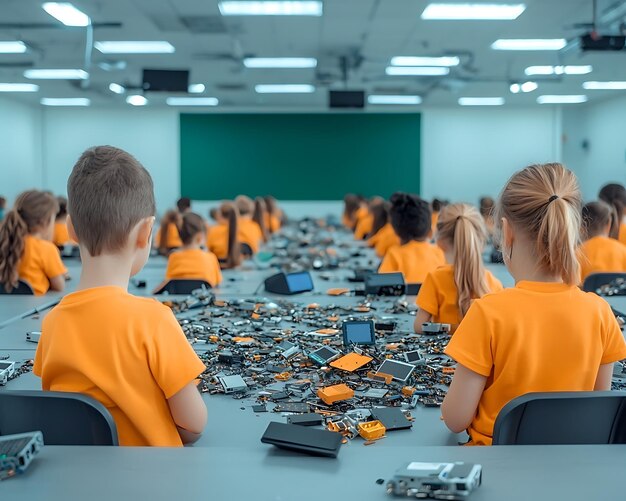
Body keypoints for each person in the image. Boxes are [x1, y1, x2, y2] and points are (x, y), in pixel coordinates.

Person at [33, 145, 207, 447]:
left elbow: (64, 414)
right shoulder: (154, 320)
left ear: (71, 228)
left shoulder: (52, 323)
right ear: (145, 232)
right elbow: (193, 425)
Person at [442, 163, 626, 446]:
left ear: (506, 232)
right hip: (574, 467)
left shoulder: (487, 312)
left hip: (494, 469)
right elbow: (595, 408)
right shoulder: (601, 312)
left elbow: (456, 420)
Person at [414, 204, 503, 333]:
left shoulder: (435, 279)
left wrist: (449, 329)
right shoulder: (494, 283)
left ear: (440, 242)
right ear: (481, 242)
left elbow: (419, 326)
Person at [0, 190, 66, 295]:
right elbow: (59, 286)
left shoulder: (4, 242)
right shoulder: (47, 249)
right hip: (35, 310)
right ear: (46, 222)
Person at [378, 192, 445, 283]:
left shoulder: (394, 255)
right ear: (430, 230)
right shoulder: (440, 253)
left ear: (396, 230)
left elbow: (382, 286)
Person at [161, 212, 222, 288]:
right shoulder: (211, 257)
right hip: (203, 299)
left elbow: (169, 283)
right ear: (199, 237)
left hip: (178, 300)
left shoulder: (173, 257)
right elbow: (216, 286)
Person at [578, 201, 626, 283]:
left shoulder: (577, 253)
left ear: (582, 226)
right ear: (609, 224)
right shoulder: (623, 251)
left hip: (587, 295)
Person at [206, 202, 243, 269]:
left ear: (219, 214)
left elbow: (207, 250)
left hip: (216, 266)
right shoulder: (241, 229)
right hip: (236, 266)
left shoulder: (212, 230)